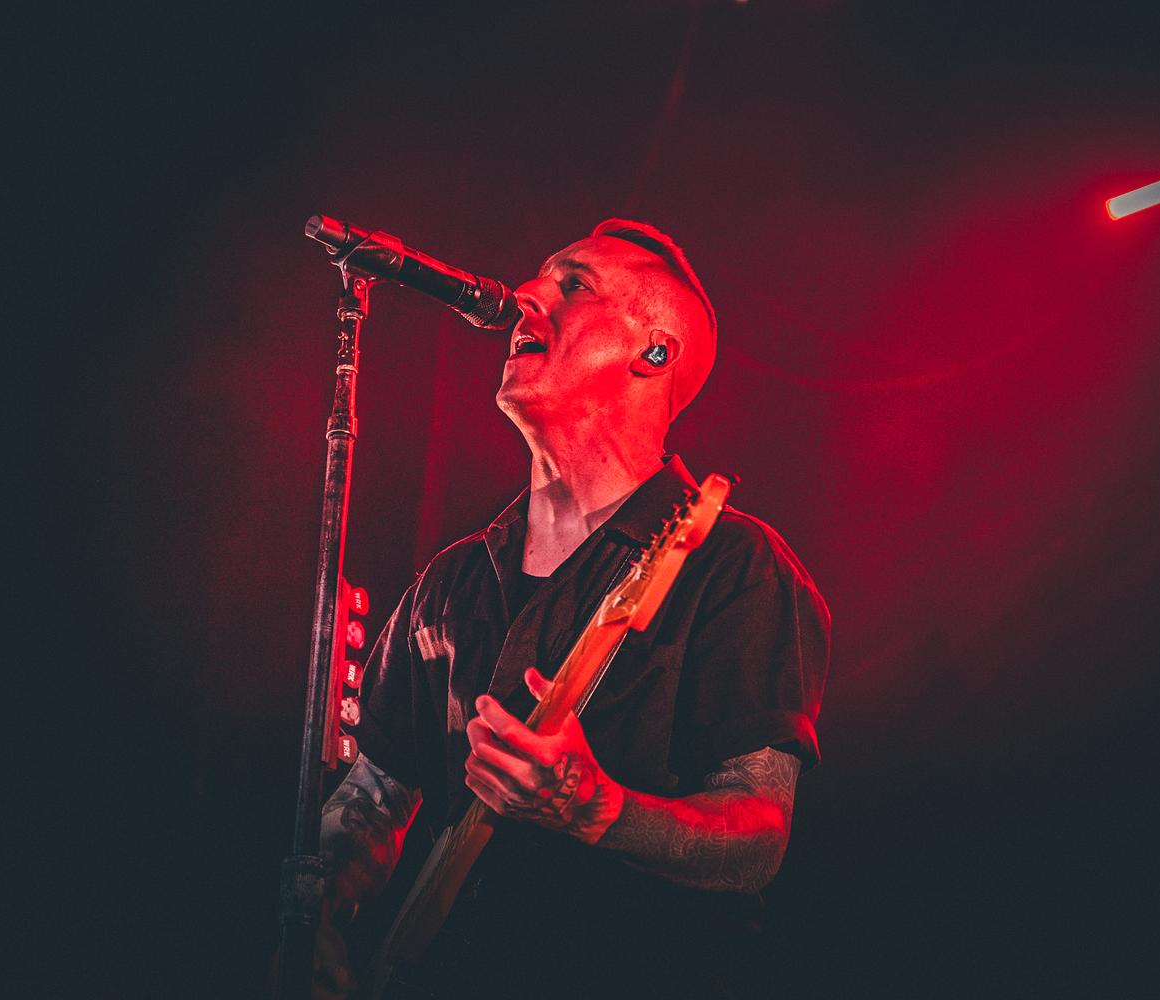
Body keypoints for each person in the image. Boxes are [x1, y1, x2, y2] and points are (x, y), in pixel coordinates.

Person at [312, 219, 830, 999]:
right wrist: (318, 916)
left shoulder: (732, 563)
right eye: (538, 276)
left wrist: (597, 809)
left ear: (654, 353)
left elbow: (756, 838)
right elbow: (373, 799)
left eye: (573, 284)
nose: (525, 294)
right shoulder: (450, 582)